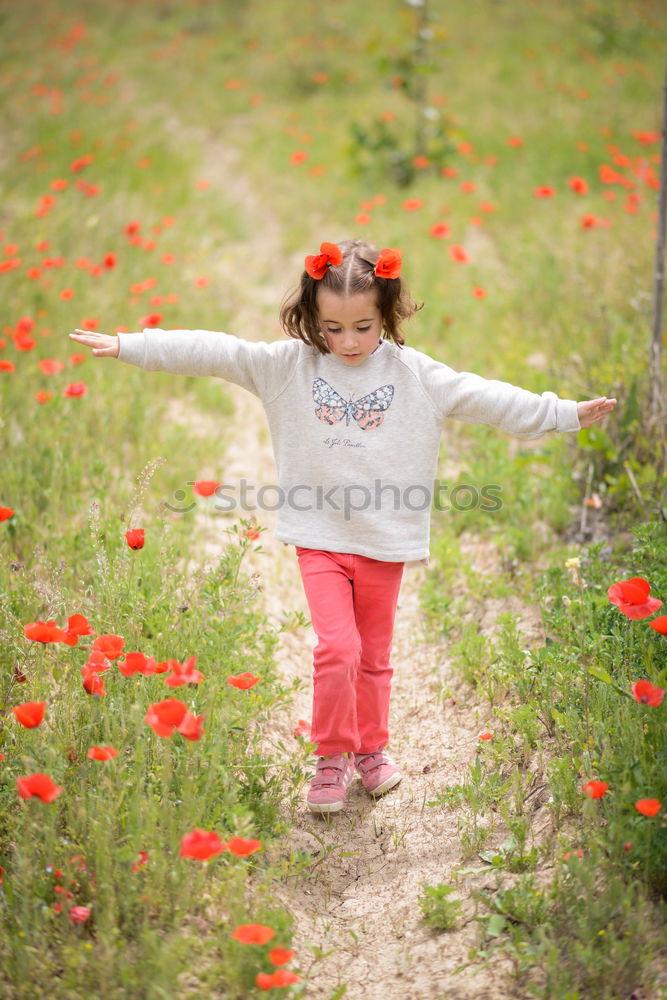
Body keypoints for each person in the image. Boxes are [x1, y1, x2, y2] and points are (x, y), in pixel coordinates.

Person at [68, 237, 617, 816]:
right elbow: (215, 351)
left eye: (363, 326)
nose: (349, 342)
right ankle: (331, 756)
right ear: (311, 317)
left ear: (387, 314)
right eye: (333, 328)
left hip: (385, 541)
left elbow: (489, 398)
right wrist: (134, 345)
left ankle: (372, 751)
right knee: (338, 648)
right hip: (321, 538)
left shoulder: (416, 375)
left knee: (374, 655)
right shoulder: (286, 367)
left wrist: (563, 413)